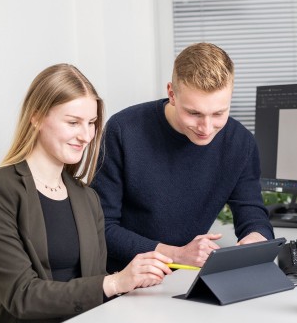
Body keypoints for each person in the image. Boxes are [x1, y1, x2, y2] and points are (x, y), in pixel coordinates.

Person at [0, 64, 173, 323]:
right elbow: (21, 295)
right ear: (36, 116)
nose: (86, 135)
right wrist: (115, 282)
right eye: (73, 122)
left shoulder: (87, 197)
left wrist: (137, 280)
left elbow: (92, 281)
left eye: (91, 123)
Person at [92, 42, 274, 272]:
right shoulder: (124, 130)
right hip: (125, 275)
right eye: (194, 113)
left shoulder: (240, 142)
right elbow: (102, 228)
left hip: (187, 275)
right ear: (171, 94)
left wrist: (255, 239)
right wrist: (176, 254)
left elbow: (251, 210)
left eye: (219, 113)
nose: (206, 128)